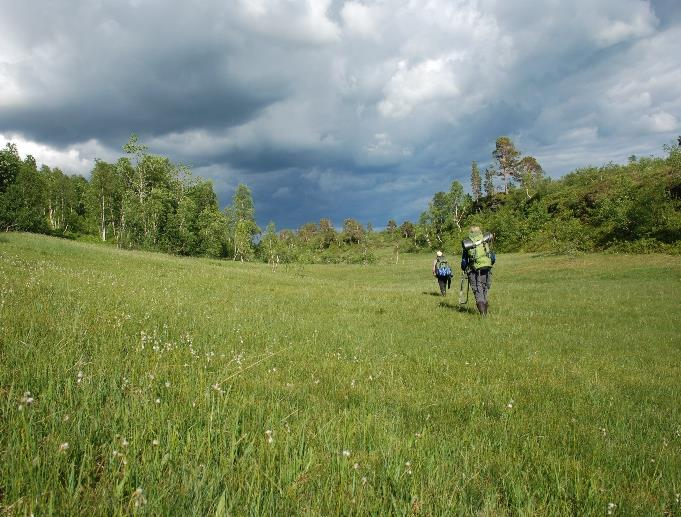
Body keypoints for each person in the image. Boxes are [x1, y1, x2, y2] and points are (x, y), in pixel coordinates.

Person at [461, 226, 494, 315]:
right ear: (480, 231)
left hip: (473, 270)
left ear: (470, 232)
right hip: (486, 268)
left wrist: (464, 269)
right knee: (484, 289)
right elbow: (493, 257)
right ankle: (485, 312)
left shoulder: (468, 243)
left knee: (477, 290)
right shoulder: (485, 240)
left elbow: (464, 261)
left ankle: (483, 315)